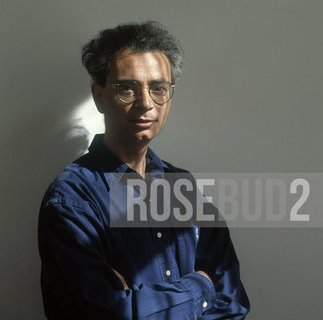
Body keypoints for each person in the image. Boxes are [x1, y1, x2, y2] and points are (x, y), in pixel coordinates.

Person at [38, 21, 250, 319]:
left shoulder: (182, 186)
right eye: (127, 88)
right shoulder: (71, 198)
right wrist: (200, 286)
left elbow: (232, 301)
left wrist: (141, 301)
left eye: (158, 88)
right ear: (99, 96)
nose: (146, 103)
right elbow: (106, 312)